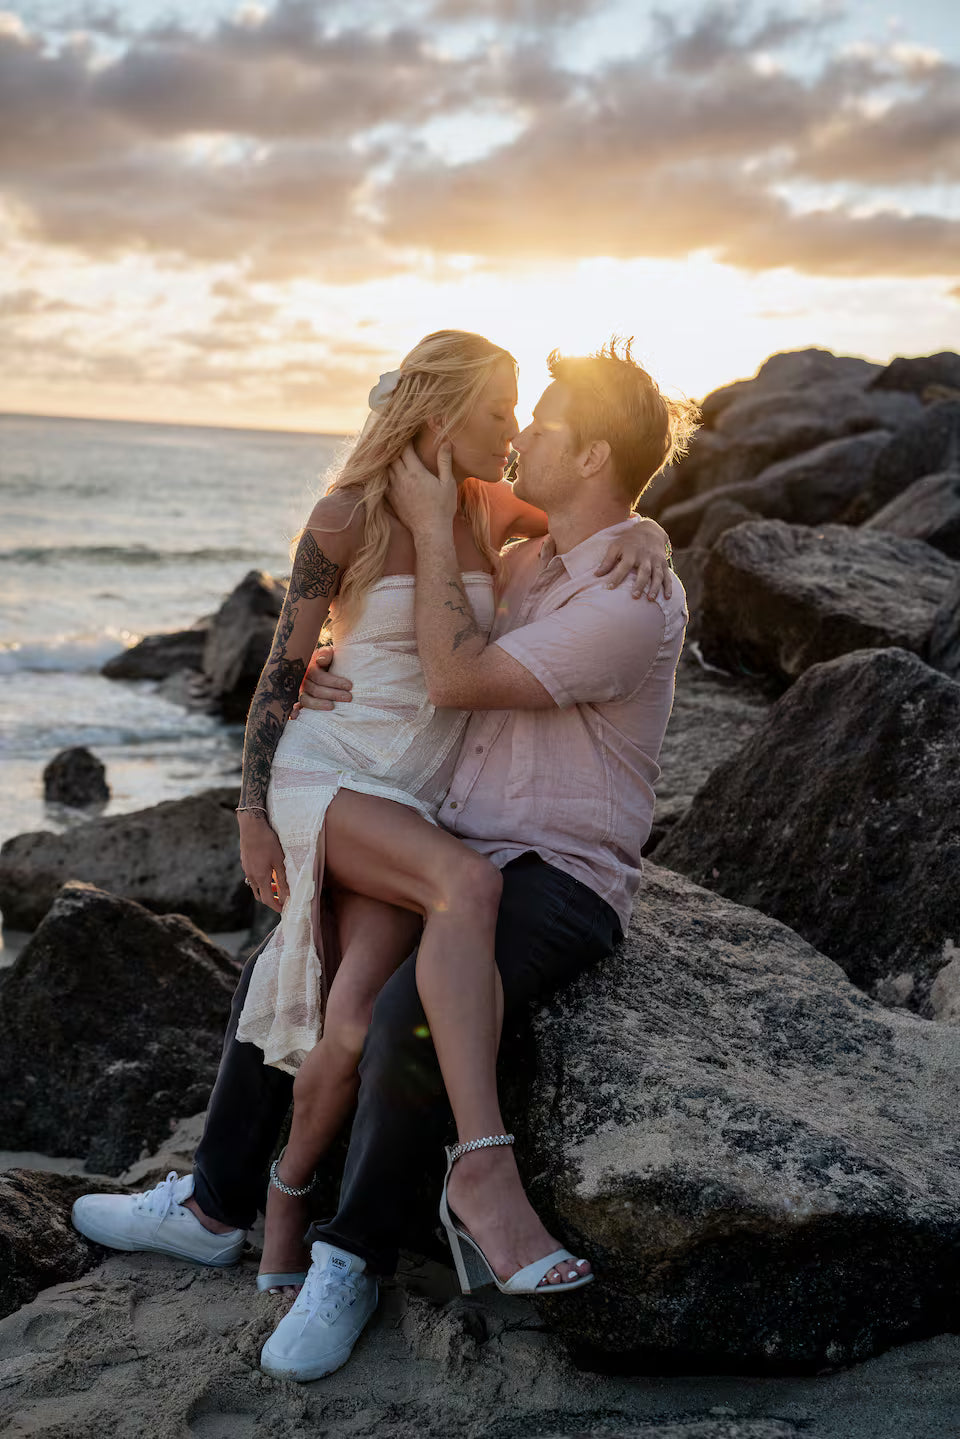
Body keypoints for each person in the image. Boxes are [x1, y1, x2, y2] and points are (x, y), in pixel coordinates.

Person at [71, 333, 675, 1334]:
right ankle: (289, 1203)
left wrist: (651, 537)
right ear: (442, 412)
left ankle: (260, 1220)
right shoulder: (350, 516)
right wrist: (250, 810)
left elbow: (592, 531)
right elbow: (279, 664)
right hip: (336, 772)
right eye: (500, 409)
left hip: (420, 800)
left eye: (532, 414)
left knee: (337, 999)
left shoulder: (499, 518)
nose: (516, 430)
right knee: (389, 923)